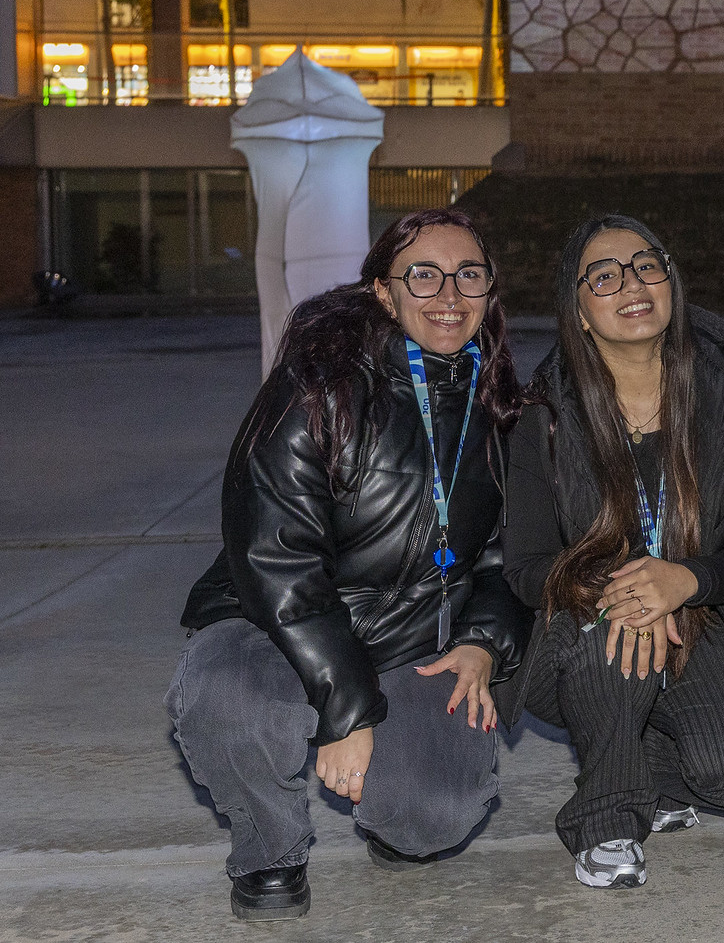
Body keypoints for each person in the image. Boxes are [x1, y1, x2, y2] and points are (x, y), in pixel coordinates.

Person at [167, 208, 529, 922]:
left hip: (414, 636)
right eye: (422, 275)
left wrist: (485, 641)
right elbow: (276, 557)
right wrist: (346, 706)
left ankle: (400, 821)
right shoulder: (317, 388)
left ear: (490, 292)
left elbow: (510, 558)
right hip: (272, 624)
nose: (448, 294)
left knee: (437, 814)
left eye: (469, 275)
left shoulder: (505, 409)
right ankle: (270, 851)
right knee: (230, 704)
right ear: (383, 293)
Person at [502, 216, 724, 888]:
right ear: (578, 311)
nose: (632, 283)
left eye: (647, 264)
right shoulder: (545, 416)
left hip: (698, 613)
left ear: (671, 282)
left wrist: (686, 580)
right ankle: (606, 819)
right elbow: (522, 565)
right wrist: (628, 588)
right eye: (603, 275)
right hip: (577, 631)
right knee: (617, 632)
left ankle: (642, 759)